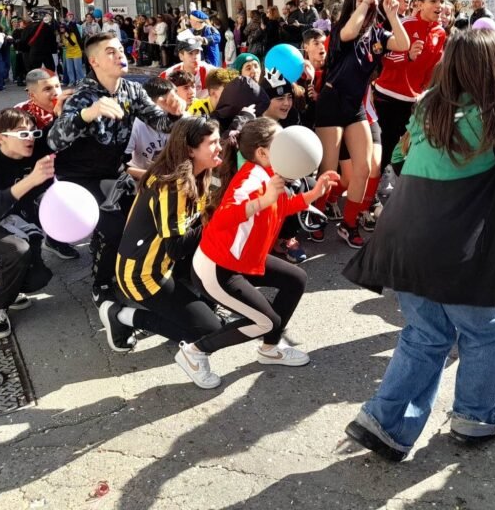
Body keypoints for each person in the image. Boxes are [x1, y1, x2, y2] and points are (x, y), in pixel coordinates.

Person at [340, 22, 495, 461]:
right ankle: (475, 418)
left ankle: (383, 422)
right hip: (457, 244)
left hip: (403, 236)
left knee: (425, 333)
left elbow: (401, 156)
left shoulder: (428, 104)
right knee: (487, 331)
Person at [175, 118, 339, 388]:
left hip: (241, 262)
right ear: (262, 152)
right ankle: (195, 352)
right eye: (281, 143)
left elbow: (281, 206)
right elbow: (222, 218)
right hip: (217, 269)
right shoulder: (250, 180)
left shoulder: (270, 171)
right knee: (265, 322)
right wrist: (263, 200)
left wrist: (314, 193)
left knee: (295, 279)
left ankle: (270, 349)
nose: (289, 147)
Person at [46, 32, 179, 303]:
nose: (120, 54)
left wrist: (175, 114)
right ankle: (102, 284)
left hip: (113, 172)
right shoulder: (81, 96)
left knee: (146, 219)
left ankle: (135, 270)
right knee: (115, 228)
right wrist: (87, 114)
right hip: (79, 177)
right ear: (93, 61)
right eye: (110, 51)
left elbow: (161, 123)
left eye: (120, 49)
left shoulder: (132, 90)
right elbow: (54, 140)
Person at [98, 117, 226, 353]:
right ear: (190, 150)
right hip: (141, 275)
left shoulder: (200, 172)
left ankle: (197, 311)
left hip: (164, 265)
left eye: (220, 141)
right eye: (212, 143)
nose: (220, 147)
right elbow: (176, 248)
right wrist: (217, 221)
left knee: (209, 319)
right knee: (208, 333)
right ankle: (121, 315)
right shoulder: (172, 185)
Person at [315, 0, 410, 249]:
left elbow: (403, 44)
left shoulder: (378, 33)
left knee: (365, 168)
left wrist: (392, 15)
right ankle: (317, 216)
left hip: (355, 106)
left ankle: (348, 224)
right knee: (329, 169)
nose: (366, 1)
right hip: (332, 101)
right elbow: (349, 32)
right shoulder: (341, 28)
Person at [0, 108, 55, 338]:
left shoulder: (36, 151)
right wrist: (30, 181)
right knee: (17, 250)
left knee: (36, 279)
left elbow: (61, 134)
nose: (30, 138)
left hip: (22, 224)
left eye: (33, 132)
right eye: (22, 133)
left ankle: (6, 282)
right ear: (1, 138)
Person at [372, 0, 447, 174]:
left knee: (411, 149)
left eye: (441, 1)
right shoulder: (405, 24)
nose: (439, 5)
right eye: (433, 1)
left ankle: (402, 184)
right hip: (388, 97)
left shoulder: (440, 33)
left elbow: (433, 69)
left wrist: (427, 93)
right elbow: (383, 58)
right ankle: (374, 187)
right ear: (419, 4)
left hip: (415, 101)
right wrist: (407, 56)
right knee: (385, 148)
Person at [125, 78, 187, 181]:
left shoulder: (184, 119)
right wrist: (152, 177)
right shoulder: (135, 124)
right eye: (168, 100)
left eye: (176, 97)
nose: (175, 102)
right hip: (143, 177)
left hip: (176, 178)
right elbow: (121, 167)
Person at [61, 19, 84, 86]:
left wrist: (68, 37)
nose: (61, 29)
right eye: (60, 28)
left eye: (62, 28)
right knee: (69, 69)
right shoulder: (62, 35)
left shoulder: (72, 34)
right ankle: (72, 81)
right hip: (69, 52)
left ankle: (80, 81)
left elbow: (73, 43)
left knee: (77, 69)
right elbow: (65, 44)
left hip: (76, 52)